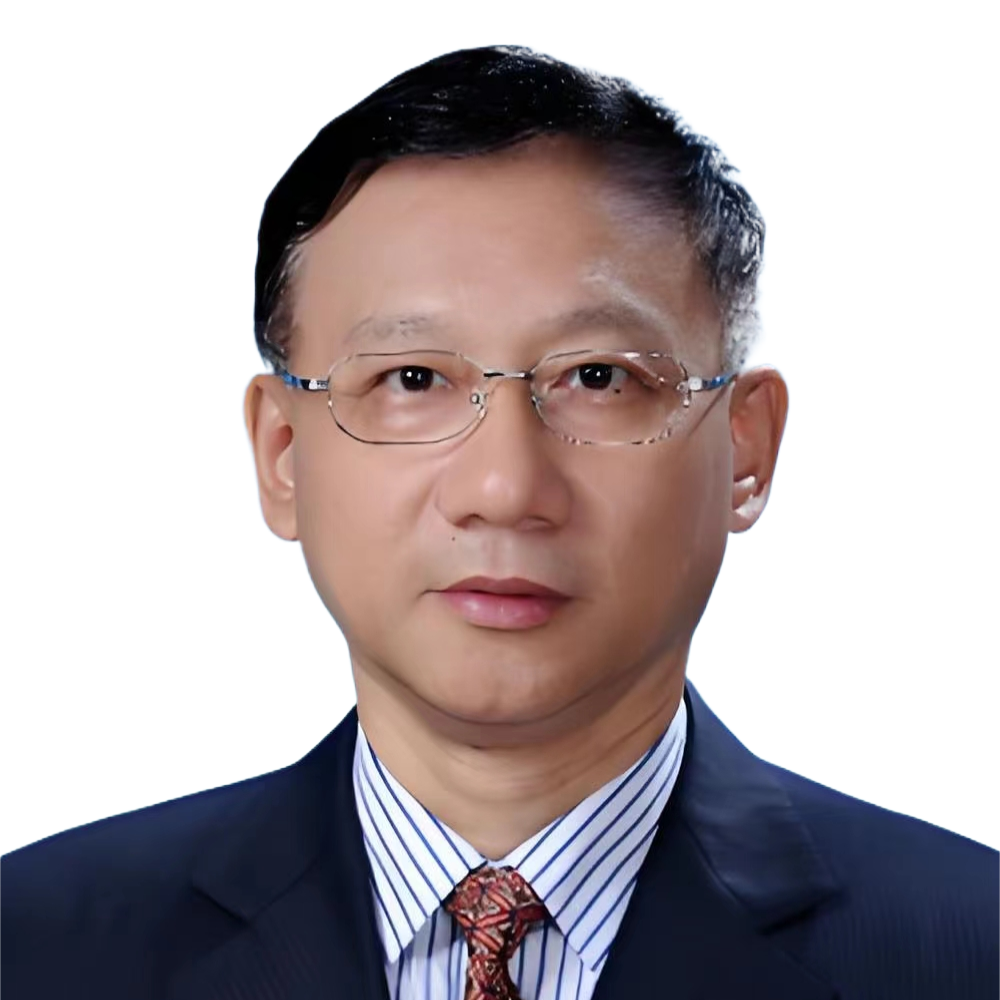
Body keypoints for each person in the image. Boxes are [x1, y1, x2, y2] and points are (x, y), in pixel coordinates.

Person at [1, 43, 996, 1000]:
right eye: (412, 378)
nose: (505, 487)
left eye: (598, 378)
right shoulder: (36, 945)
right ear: (282, 455)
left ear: (746, 448)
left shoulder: (969, 947)